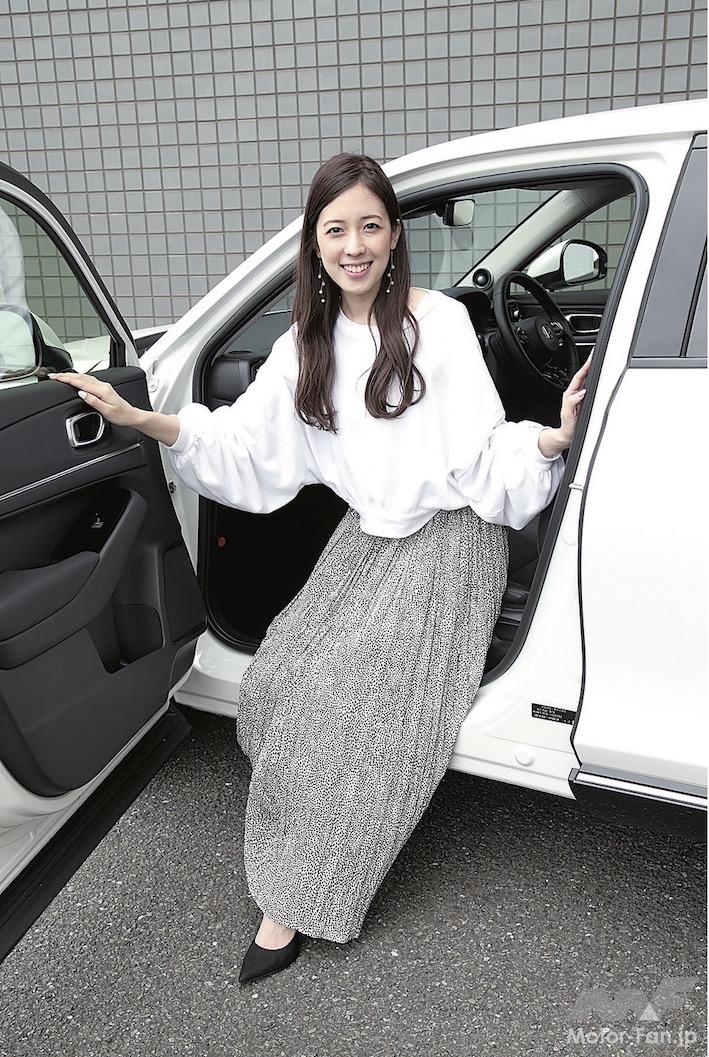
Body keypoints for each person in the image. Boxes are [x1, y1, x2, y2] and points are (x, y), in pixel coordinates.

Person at [48, 153, 590, 987]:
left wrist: (550, 438)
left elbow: (484, 453)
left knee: (347, 706)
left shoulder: (442, 322)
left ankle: (301, 895)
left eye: (370, 225)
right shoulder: (305, 343)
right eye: (336, 230)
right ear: (314, 243)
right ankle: (302, 826)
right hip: (369, 537)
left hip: (453, 539)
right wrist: (141, 418)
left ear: (395, 234)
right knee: (278, 679)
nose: (354, 245)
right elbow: (245, 443)